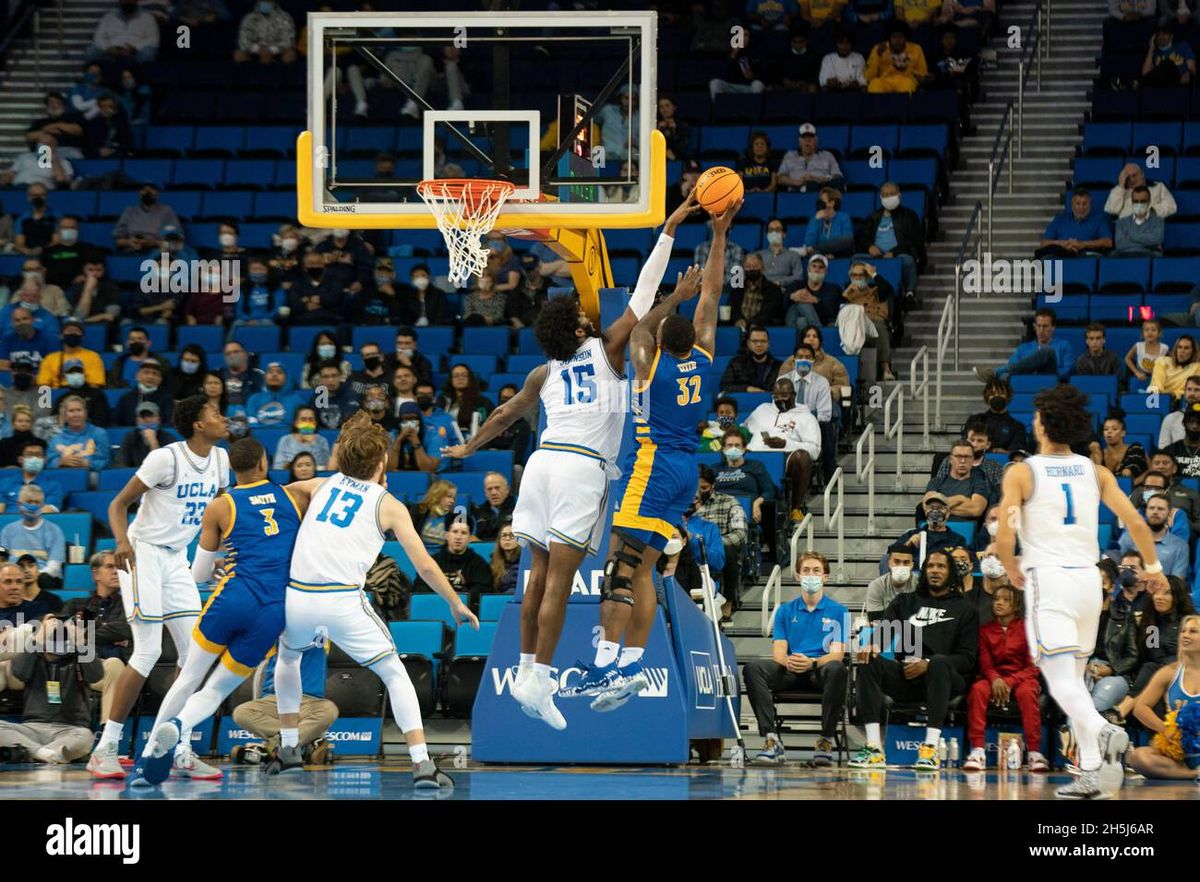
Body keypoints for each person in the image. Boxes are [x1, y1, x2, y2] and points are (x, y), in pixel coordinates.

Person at [441, 197, 699, 728]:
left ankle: (530, 672)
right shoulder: (607, 350)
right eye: (583, 315)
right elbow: (645, 299)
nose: (589, 315)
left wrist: (469, 448)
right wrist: (673, 255)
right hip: (581, 467)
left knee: (534, 576)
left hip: (539, 465)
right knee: (559, 580)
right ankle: (538, 680)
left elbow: (507, 413)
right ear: (577, 329)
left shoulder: (544, 372)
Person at [561, 198, 734, 713]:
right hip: (686, 474)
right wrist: (719, 235)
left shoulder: (648, 363)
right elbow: (714, 292)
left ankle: (603, 666)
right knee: (644, 572)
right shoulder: (703, 356)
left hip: (653, 468)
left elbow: (636, 327)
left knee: (620, 565)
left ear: (662, 341)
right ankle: (633, 666)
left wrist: (670, 297)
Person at [273, 411, 478, 786]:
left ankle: (288, 749)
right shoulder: (388, 505)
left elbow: (287, 493)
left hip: (299, 598)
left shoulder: (321, 484)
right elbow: (426, 566)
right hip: (341, 601)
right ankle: (422, 764)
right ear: (381, 462)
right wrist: (454, 601)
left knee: (288, 659)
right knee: (394, 673)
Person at [995, 383, 1170, 798]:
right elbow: (1138, 524)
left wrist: (1008, 563)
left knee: (1059, 681)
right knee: (1074, 678)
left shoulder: (1022, 472)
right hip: (1090, 584)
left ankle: (1103, 729)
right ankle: (1093, 772)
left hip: (1050, 580)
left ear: (1041, 424)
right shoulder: (1096, 471)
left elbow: (1006, 532)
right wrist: (1154, 568)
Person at [128, 437, 311, 786]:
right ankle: (180, 727)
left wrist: (217, 567)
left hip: (233, 597)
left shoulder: (221, 506)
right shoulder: (295, 496)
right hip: (273, 609)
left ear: (233, 469)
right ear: (263, 464)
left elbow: (197, 575)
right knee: (215, 691)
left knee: (188, 678)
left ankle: (150, 754)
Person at [84, 395, 230, 780]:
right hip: (143, 553)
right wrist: (121, 542)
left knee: (197, 656)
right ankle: (106, 747)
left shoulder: (221, 460)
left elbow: (214, 516)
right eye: (215, 413)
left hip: (177, 557)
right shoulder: (166, 458)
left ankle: (178, 747)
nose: (224, 417)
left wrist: (211, 555)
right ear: (198, 424)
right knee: (147, 651)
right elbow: (118, 504)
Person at [850, 549, 979, 770]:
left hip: (946, 680)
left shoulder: (965, 608)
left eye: (941, 566)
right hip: (907, 676)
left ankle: (930, 749)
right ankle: (873, 748)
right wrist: (872, 646)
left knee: (937, 661)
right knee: (868, 662)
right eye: (930, 566)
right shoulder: (906, 601)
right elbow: (883, 633)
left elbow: (968, 659)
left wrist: (927, 665)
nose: (935, 571)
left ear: (951, 573)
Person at [745, 550, 848, 766]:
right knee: (753, 667)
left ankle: (825, 740)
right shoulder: (784, 611)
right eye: (806, 570)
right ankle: (772, 740)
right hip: (791, 669)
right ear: (798, 576)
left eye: (816, 571)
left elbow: (838, 653)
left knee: (838, 668)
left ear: (825, 577)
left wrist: (812, 663)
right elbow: (779, 652)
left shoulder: (840, 611)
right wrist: (792, 662)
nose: (811, 575)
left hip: (820, 672)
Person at [962, 585, 1049, 772]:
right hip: (994, 677)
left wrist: (1009, 682)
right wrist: (995, 679)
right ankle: (977, 750)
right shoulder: (985, 630)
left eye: (1005, 599)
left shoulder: (1028, 629)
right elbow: (985, 663)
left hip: (1022, 678)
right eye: (996, 599)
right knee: (977, 690)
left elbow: (1033, 666)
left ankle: (1034, 753)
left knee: (1027, 692)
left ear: (1016, 605)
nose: (999, 603)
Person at [0, 609, 105, 764]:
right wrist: (39, 638)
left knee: (86, 737)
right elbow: (20, 673)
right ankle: (47, 754)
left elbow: (95, 675)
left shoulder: (79, 656)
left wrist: (80, 641)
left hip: (70, 730)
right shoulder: (33, 656)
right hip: (32, 729)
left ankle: (34, 753)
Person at [231, 644, 337, 766]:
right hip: (276, 700)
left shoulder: (321, 636)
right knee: (241, 713)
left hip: (310, 701)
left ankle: (273, 749)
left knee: (329, 710)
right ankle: (303, 747)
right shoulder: (274, 638)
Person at [1125, 615, 1200, 780]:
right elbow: (1140, 708)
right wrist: (1166, 730)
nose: (1185, 635)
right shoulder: (1170, 672)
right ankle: (1193, 774)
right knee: (1138, 756)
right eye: (1183, 631)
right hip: (1181, 755)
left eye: (1193, 631)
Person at [744, 377, 821, 519]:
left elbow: (814, 450)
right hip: (752, 456)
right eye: (776, 396)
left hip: (784, 458)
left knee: (802, 457)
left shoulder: (806, 417)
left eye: (784, 396)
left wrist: (786, 444)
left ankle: (795, 509)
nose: (780, 400)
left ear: (794, 395)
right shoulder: (762, 409)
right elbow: (743, 430)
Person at [858, 182, 924, 301]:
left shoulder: (909, 215)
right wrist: (869, 247)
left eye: (892, 194)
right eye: (885, 194)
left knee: (908, 261)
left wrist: (894, 252)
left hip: (899, 254)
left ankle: (909, 293)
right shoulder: (874, 216)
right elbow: (863, 238)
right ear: (881, 197)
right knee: (856, 259)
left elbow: (914, 242)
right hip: (875, 255)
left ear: (899, 196)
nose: (889, 197)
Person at [413, 519, 492, 611]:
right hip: (435, 608)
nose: (458, 537)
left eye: (463, 533)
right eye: (455, 532)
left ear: (470, 538)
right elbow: (420, 587)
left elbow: (481, 590)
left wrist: (458, 600)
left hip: (466, 611)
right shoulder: (432, 562)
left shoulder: (479, 564)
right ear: (447, 535)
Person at [0, 485, 66, 587]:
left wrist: (32, 577)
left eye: (37, 502)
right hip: (13, 579)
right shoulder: (8, 531)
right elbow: (2, 562)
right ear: (19, 504)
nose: (33, 506)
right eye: (29, 502)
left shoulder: (55, 531)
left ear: (43, 505)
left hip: (42, 580)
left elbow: (54, 567)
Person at [842, 261, 897, 380]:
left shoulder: (876, 290)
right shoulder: (846, 292)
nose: (857, 278)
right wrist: (846, 293)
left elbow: (889, 290)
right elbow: (837, 309)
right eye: (854, 275)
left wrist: (874, 274)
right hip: (855, 327)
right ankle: (861, 378)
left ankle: (886, 369)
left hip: (874, 324)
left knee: (878, 326)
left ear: (867, 276)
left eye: (861, 275)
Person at [715, 427, 778, 528]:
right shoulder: (715, 469)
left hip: (747, 511)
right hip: (718, 511)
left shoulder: (755, 466)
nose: (733, 448)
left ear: (744, 449)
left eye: (737, 445)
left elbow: (769, 491)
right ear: (723, 449)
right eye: (729, 445)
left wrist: (756, 503)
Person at [894, 492, 971, 569]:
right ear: (925, 511)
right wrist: (907, 545)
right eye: (931, 508)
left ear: (948, 513)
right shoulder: (911, 535)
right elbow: (891, 555)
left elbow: (964, 563)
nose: (935, 511)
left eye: (940, 508)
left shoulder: (958, 540)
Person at [1036, 188, 1113, 258]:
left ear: (1090, 204)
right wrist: (1062, 244)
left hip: (1087, 256)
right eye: (1078, 203)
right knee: (1049, 259)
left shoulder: (1099, 219)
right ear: (1072, 205)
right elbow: (1044, 243)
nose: (1081, 207)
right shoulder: (1060, 219)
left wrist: (1083, 244)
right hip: (1062, 255)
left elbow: (1108, 242)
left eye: (1084, 204)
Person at [925, 439, 991, 518]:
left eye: (967, 457)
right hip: (937, 527)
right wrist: (961, 499)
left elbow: (976, 509)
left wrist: (940, 506)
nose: (963, 461)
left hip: (965, 528)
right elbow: (927, 507)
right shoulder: (936, 482)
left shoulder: (979, 484)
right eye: (958, 456)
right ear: (950, 459)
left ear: (972, 459)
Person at [966, 377, 1029, 452]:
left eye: (1001, 393)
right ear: (987, 398)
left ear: (1008, 397)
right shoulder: (974, 420)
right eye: (992, 394)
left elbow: (1017, 453)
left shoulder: (1018, 427)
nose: (996, 397)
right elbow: (965, 444)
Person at [47, 396, 110, 471]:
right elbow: (48, 464)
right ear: (65, 416)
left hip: (92, 476)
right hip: (63, 476)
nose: (75, 414)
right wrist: (60, 462)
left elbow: (107, 462)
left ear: (85, 413)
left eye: (79, 410)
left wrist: (88, 463)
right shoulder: (56, 439)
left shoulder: (100, 434)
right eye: (71, 411)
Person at [777, 123, 844, 192]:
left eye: (811, 137)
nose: (807, 140)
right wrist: (797, 182)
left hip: (821, 190)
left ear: (816, 140)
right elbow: (780, 178)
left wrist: (819, 179)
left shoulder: (827, 155)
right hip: (796, 191)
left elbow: (837, 176)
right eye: (804, 137)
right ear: (799, 141)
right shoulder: (790, 155)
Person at [865, 22, 929, 93]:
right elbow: (869, 77)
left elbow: (922, 73)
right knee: (874, 85)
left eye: (900, 36)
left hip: (906, 80)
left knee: (908, 85)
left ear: (905, 38)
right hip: (884, 80)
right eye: (894, 37)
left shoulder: (916, 49)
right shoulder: (879, 49)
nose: (897, 40)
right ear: (889, 39)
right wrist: (878, 55)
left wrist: (909, 71)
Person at [0, 440, 62, 513]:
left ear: (45, 460)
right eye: (29, 454)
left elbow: (49, 510)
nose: (34, 458)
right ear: (20, 459)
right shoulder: (4, 483)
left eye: (38, 455)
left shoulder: (54, 486)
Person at [1105, 162, 1177, 220]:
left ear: (1142, 174)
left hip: (1150, 226)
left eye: (1134, 175)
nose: (1132, 180)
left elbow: (1172, 207)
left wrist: (1152, 210)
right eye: (1128, 177)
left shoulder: (1158, 187)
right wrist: (1121, 185)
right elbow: (1111, 210)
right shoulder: (1120, 191)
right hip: (1126, 230)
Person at [720, 325, 782, 393]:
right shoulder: (736, 363)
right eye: (755, 341)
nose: (759, 344)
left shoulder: (779, 366)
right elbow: (725, 387)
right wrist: (747, 388)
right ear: (748, 343)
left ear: (768, 344)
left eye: (763, 341)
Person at [1112, 185, 1165, 257]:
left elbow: (1157, 239)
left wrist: (1130, 236)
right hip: (1125, 255)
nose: (1139, 204)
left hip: (1148, 256)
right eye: (1136, 201)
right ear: (1132, 202)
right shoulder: (1121, 222)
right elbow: (1120, 245)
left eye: (1143, 201)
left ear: (1149, 201)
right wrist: (1149, 245)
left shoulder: (1158, 221)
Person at [801, 187, 855, 258]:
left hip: (839, 254)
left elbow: (846, 240)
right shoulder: (815, 219)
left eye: (823, 200)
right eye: (820, 200)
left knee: (848, 240)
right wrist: (816, 220)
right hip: (819, 254)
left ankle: (818, 250)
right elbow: (808, 244)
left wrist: (833, 254)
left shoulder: (843, 217)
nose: (820, 203)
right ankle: (820, 253)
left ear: (832, 203)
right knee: (813, 253)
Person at [866, 544, 918, 618]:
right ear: (889, 563)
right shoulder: (876, 586)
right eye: (896, 561)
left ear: (912, 565)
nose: (901, 566)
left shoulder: (920, 585)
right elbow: (875, 620)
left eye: (906, 562)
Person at [273, 405, 332, 470]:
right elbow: (278, 468)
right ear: (296, 423)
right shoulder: (285, 440)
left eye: (311, 419)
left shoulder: (322, 440)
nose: (307, 423)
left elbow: (325, 468)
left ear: (315, 423)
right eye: (303, 419)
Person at [1150, 335, 1200, 400]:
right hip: (1158, 399)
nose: (1182, 351)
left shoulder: (1197, 367)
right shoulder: (1162, 361)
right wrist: (1163, 398)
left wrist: (1176, 394)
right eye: (1179, 347)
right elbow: (1157, 385)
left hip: (1180, 401)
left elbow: (1194, 390)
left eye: (1186, 348)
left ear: (1193, 352)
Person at [470, 472, 516, 541]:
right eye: (489, 489)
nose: (493, 493)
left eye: (497, 488)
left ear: (507, 490)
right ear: (485, 493)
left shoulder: (517, 509)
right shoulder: (477, 512)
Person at [1159, 377, 1200, 448]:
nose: (1192, 393)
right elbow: (1163, 449)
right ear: (1184, 392)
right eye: (1189, 389)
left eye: (1197, 390)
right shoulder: (1171, 418)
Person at [491, 523, 521, 593]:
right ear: (499, 540)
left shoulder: (525, 562)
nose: (507, 539)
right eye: (504, 535)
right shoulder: (493, 563)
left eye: (512, 535)